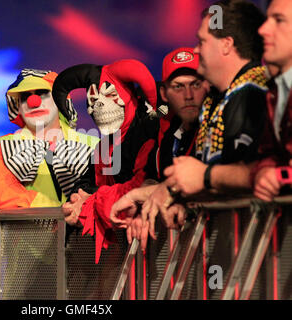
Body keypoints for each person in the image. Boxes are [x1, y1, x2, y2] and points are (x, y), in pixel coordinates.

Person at [52, 59, 161, 262]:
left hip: (157, 245)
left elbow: (142, 185)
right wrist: (76, 200)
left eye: (110, 94)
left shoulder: (148, 133)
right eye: (92, 101)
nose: (100, 104)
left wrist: (90, 202)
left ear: (129, 98)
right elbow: (87, 185)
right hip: (122, 250)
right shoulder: (103, 147)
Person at [163, 0, 268, 197]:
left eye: (202, 41)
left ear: (226, 44)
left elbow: (256, 176)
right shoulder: (218, 99)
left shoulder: (252, 92)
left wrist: (205, 176)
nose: (196, 50)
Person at [110, 48, 209, 249]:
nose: (188, 95)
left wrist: (141, 196)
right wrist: (144, 206)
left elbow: (216, 181)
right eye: (178, 87)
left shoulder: (215, 124)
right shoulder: (168, 132)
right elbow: (153, 177)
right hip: (188, 251)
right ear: (164, 93)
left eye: (195, 84)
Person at [0, 68, 99, 209]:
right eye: (25, 96)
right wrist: (54, 208)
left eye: (42, 93)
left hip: (85, 229)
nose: (34, 102)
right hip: (31, 230)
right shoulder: (2, 147)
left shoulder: (95, 145)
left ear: (59, 99)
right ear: (18, 107)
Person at [251, 0, 292, 201]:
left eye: (279, 20)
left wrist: (281, 175)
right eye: (267, 19)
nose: (263, 29)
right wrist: (264, 172)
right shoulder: (275, 92)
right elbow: (269, 154)